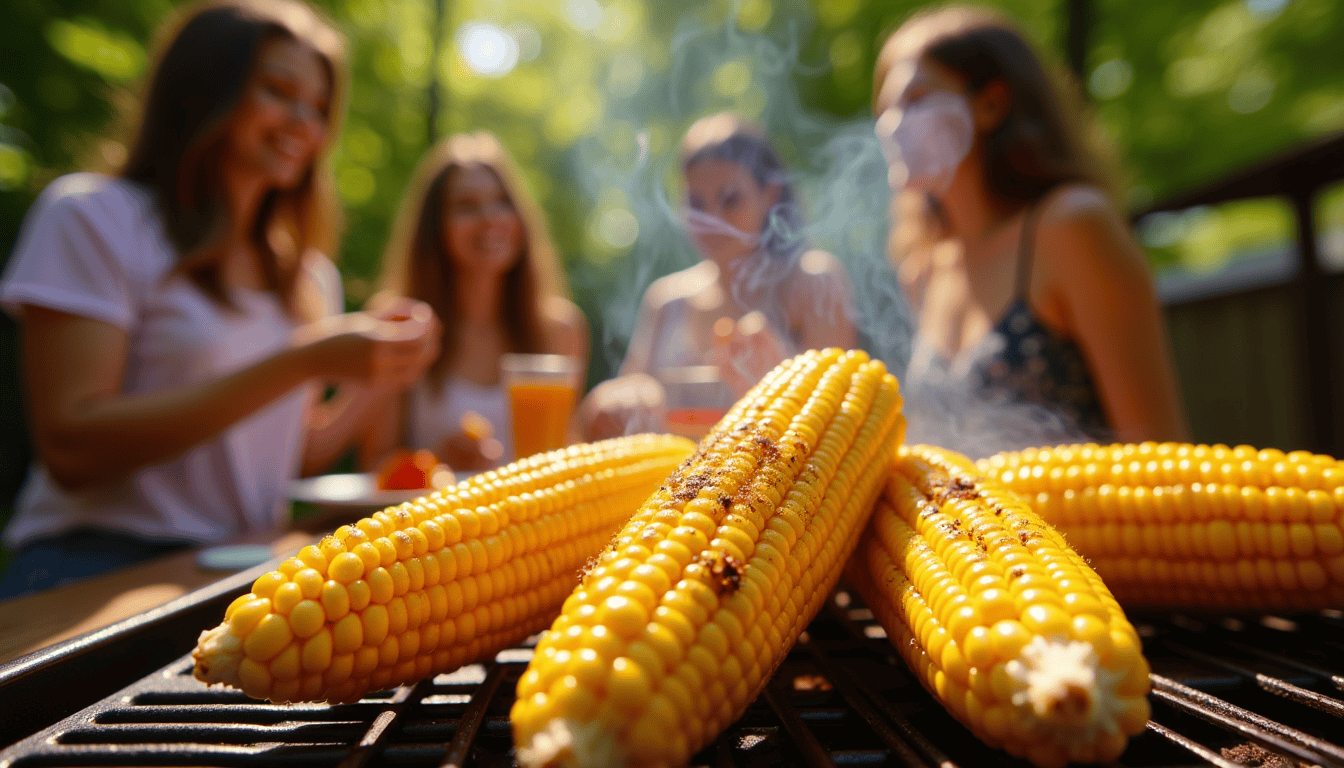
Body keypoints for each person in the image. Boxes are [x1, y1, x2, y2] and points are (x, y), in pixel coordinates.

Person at [0, 0, 439, 597]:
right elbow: (71, 449)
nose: (303, 124)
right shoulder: (94, 216)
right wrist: (306, 359)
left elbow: (298, 457)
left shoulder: (309, 277)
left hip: (239, 570)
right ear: (206, 90)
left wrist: (379, 372)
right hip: (93, 566)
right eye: (279, 91)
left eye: (317, 108)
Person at [873, 6, 1188, 457]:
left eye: (916, 99)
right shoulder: (922, 268)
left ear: (991, 104)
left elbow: (1161, 450)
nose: (891, 125)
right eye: (883, 109)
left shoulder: (1070, 227)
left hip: (1087, 527)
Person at [580, 113, 856, 440]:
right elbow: (624, 398)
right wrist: (615, 400)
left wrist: (782, 382)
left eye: (729, 199)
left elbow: (841, 421)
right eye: (697, 204)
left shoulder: (812, 282)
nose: (713, 220)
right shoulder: (666, 300)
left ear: (769, 195)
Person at [358, 132, 588, 473]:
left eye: (501, 202)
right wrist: (434, 463)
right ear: (434, 228)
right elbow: (372, 466)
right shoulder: (400, 326)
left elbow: (569, 454)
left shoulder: (560, 329)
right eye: (466, 206)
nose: (489, 218)